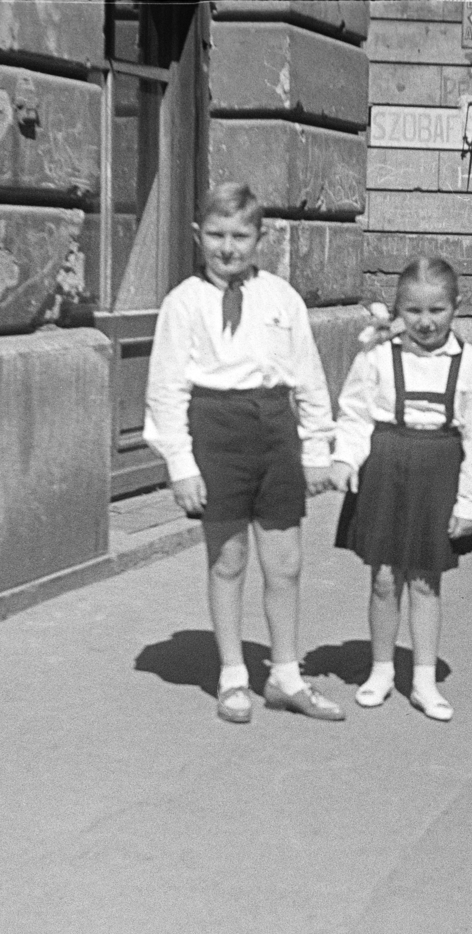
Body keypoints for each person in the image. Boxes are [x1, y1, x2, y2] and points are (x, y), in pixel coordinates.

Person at [142, 182, 342, 725]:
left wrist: (318, 447)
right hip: (216, 430)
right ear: (197, 236)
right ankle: (232, 675)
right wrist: (180, 465)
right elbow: (166, 390)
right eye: (215, 235)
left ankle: (284, 675)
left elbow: (309, 378)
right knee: (228, 560)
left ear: (260, 237)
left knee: (287, 564)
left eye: (239, 235)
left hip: (275, 432)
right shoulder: (182, 303)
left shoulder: (282, 298)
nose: (227, 247)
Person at [330, 257, 472, 723]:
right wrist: (345, 457)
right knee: (384, 577)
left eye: (437, 310)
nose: (425, 322)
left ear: (456, 307)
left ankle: (423, 679)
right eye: (414, 311)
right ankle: (381, 669)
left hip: (437, 472)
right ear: (399, 309)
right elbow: (355, 412)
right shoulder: (379, 355)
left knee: (425, 580)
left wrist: (469, 503)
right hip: (385, 468)